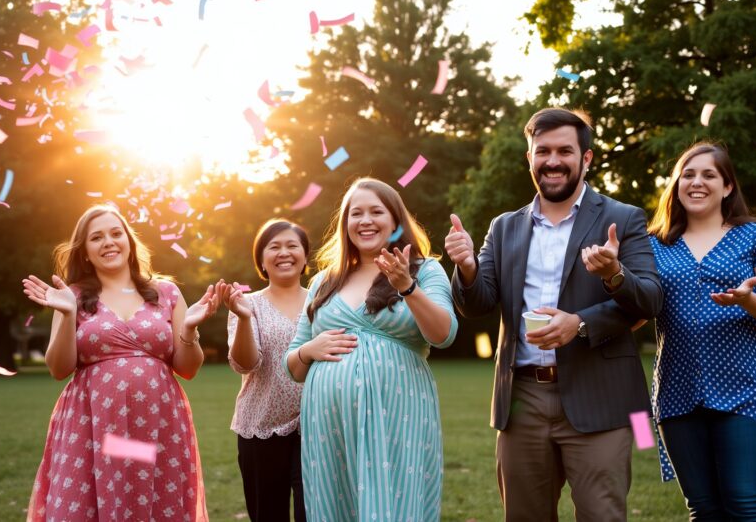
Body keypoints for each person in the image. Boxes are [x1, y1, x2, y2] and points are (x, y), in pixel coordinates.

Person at [445, 107, 663, 521]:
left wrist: (607, 284)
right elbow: (476, 305)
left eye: (565, 150)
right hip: (521, 400)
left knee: (602, 516)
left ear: (586, 157)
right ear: (529, 157)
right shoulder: (504, 226)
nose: (553, 161)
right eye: (542, 151)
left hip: (601, 396)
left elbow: (650, 300)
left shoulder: (624, 218)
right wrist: (468, 267)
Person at [645, 142, 756, 520]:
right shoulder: (654, 245)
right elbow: (636, 309)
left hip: (746, 387)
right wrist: (612, 277)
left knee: (746, 505)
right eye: (687, 174)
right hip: (677, 391)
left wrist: (748, 301)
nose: (696, 182)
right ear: (676, 184)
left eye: (709, 175)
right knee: (703, 510)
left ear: (727, 186)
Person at [22, 204, 217, 522]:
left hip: (158, 425)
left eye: (116, 233)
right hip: (91, 426)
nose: (108, 242)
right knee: (86, 503)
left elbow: (188, 369)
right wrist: (68, 313)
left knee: (156, 502)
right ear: (85, 252)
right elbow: (59, 369)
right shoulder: (71, 297)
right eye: (96, 237)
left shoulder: (166, 292)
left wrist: (190, 330)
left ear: (129, 240)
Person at [283, 177, 457, 521]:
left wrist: (408, 287)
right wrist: (308, 350)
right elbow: (292, 366)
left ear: (395, 220)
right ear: (345, 223)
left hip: (398, 413)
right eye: (356, 213)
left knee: (395, 502)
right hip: (329, 423)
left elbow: (444, 334)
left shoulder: (424, 270)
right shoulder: (324, 281)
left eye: (376, 211)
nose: (365, 221)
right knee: (336, 505)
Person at [219, 219, 310, 521]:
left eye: (292, 245)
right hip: (261, 428)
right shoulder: (247, 304)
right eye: (274, 247)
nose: (284, 252)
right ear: (261, 260)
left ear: (305, 256)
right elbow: (246, 363)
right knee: (267, 515)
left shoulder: (323, 301)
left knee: (315, 513)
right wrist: (244, 318)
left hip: (317, 426)